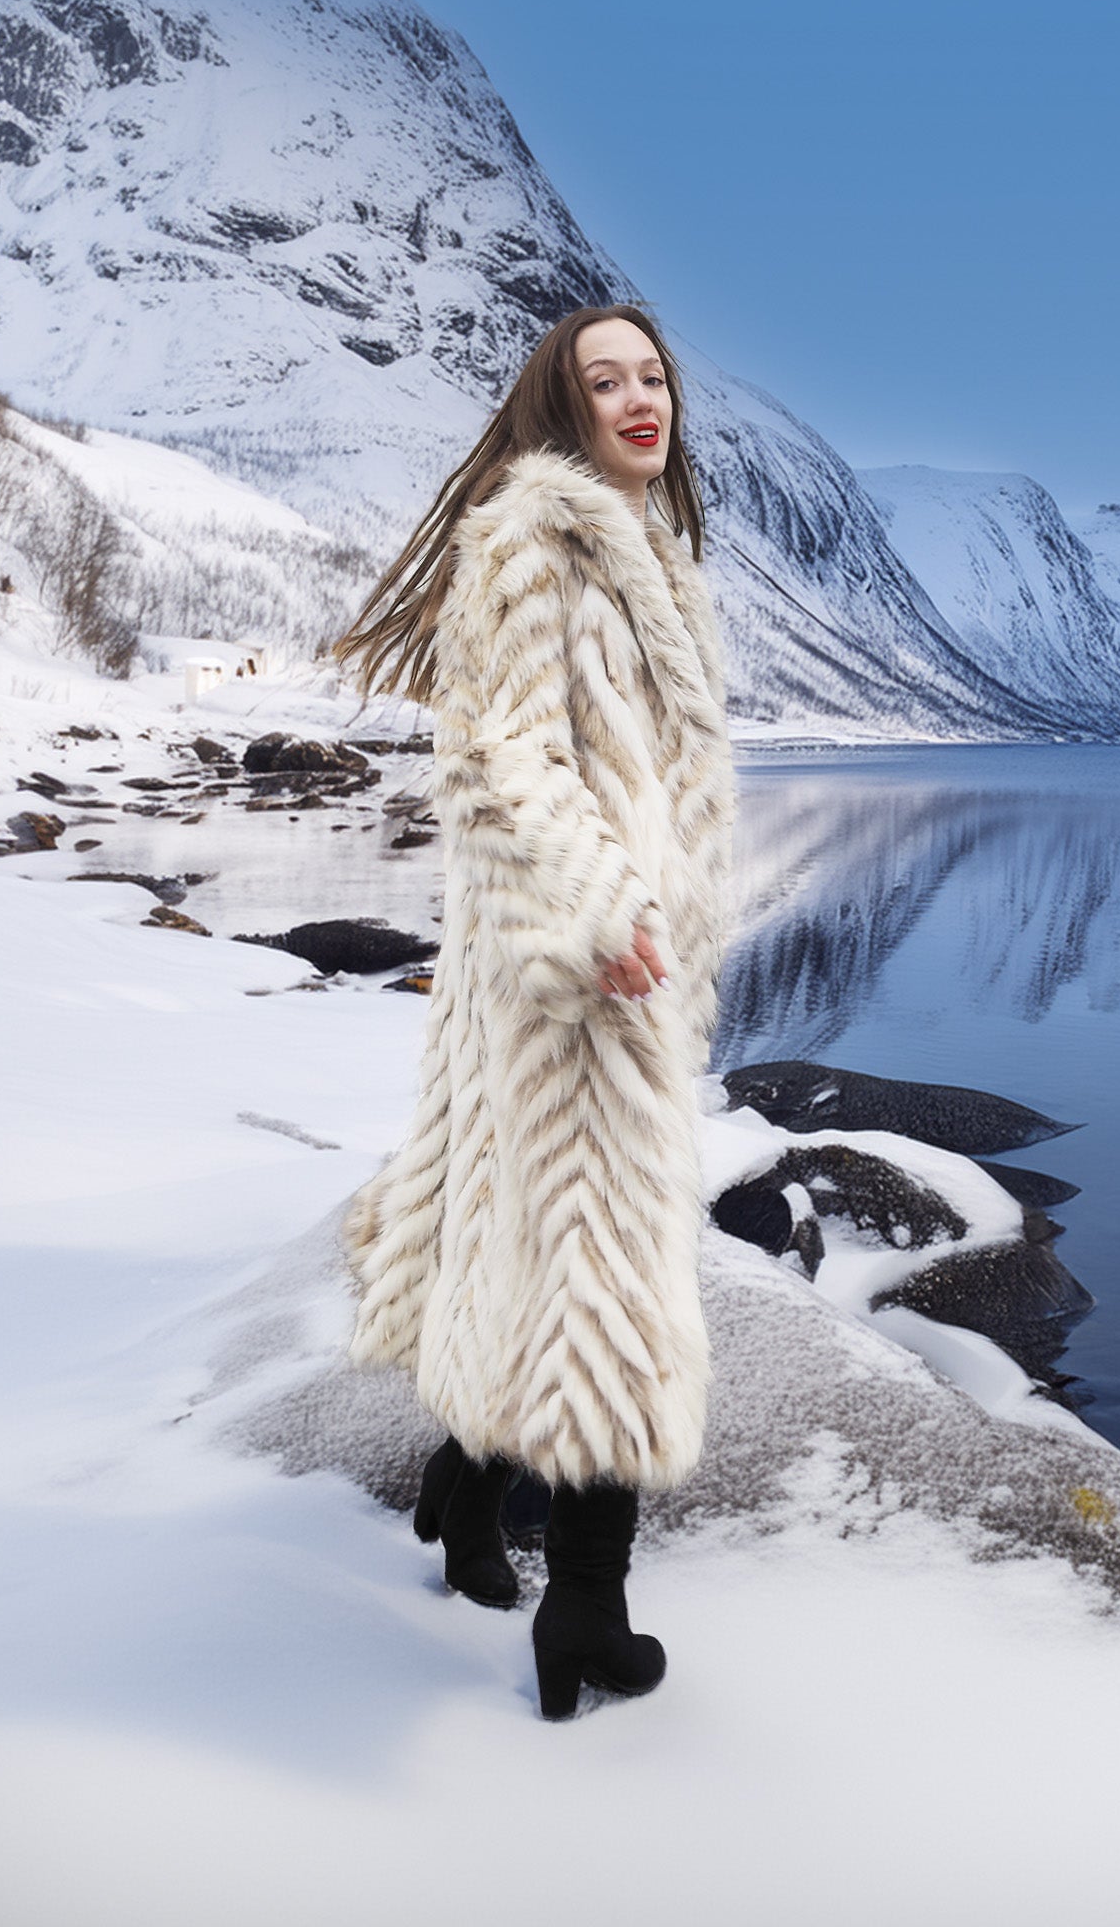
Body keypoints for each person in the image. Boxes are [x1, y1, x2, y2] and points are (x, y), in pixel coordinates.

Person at [331, 305, 736, 1720]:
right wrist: (602, 906)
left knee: (528, 1229)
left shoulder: (652, 558)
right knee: (608, 1267)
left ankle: (459, 1486)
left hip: (606, 959)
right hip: (580, 960)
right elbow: (504, 758)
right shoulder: (530, 542)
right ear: (560, 409)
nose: (641, 400)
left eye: (655, 376)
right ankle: (589, 1610)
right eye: (604, 381)